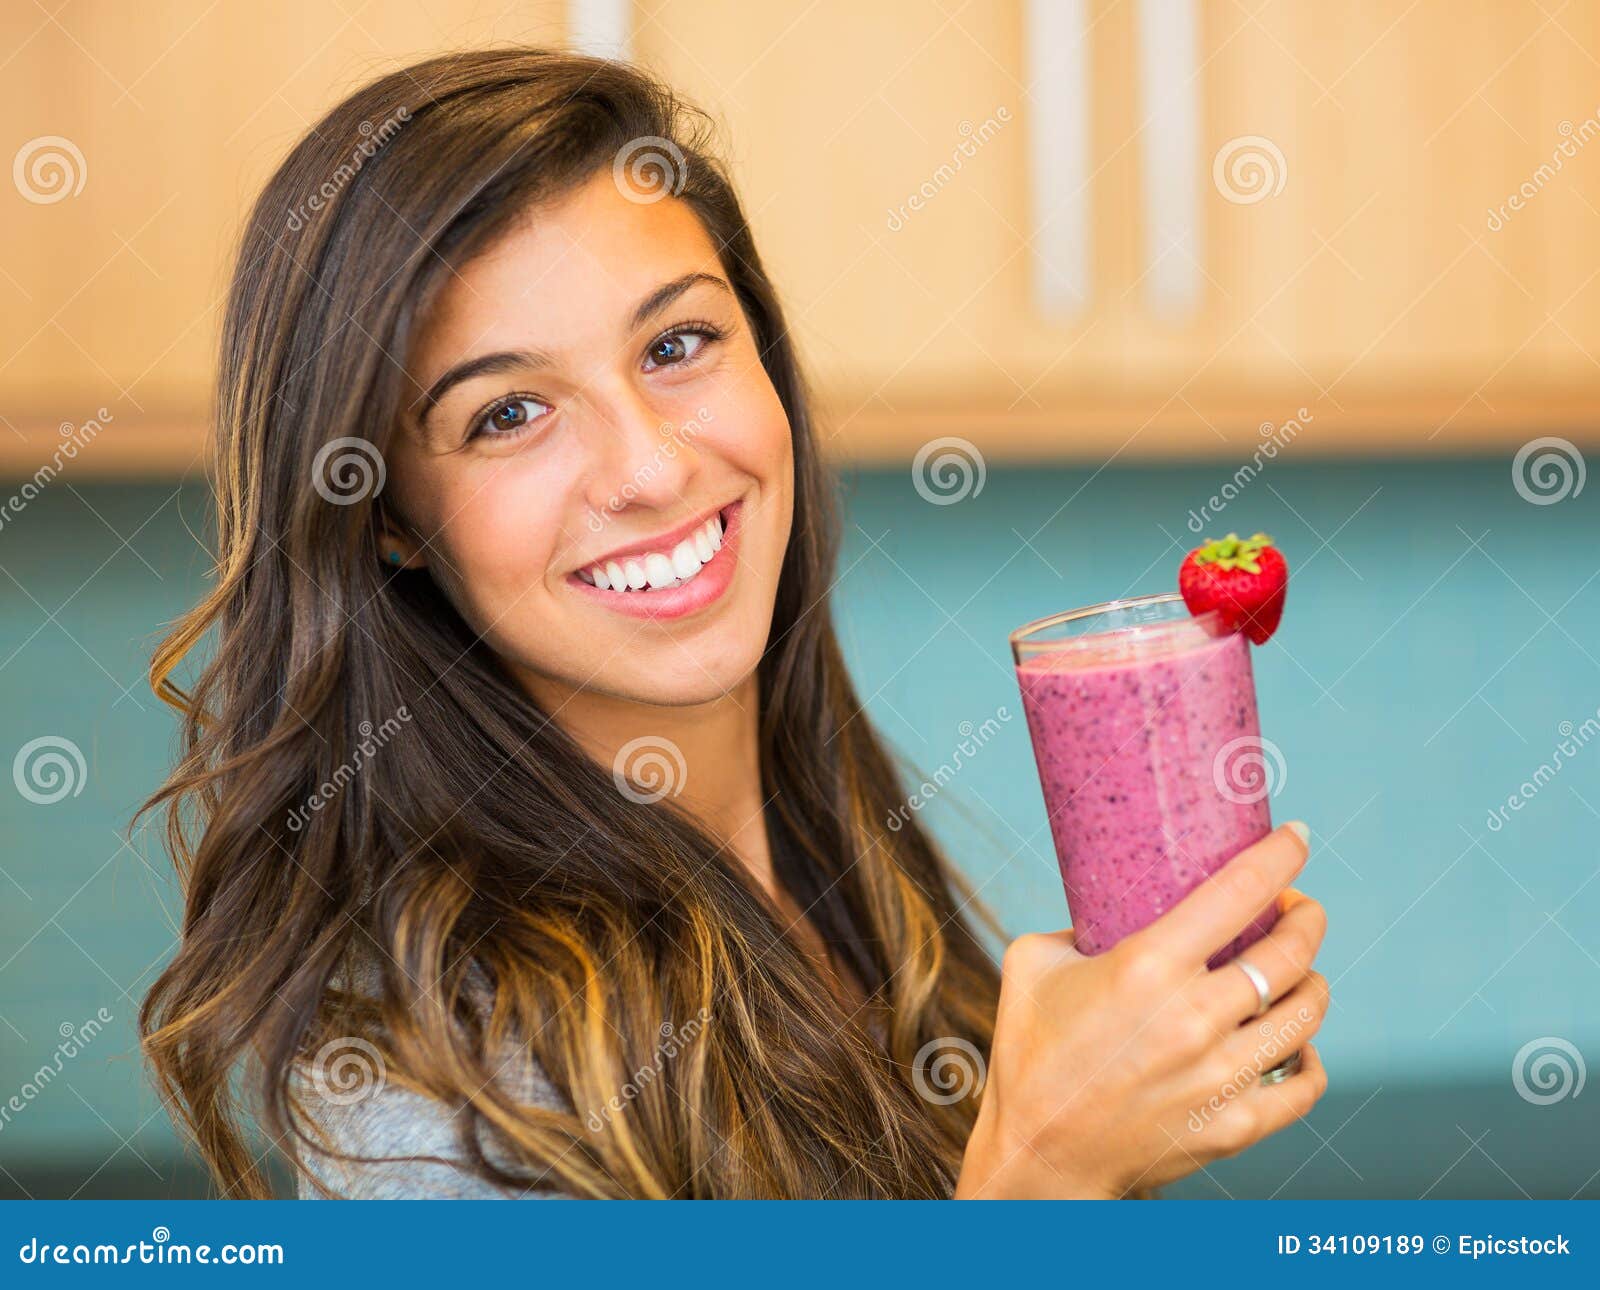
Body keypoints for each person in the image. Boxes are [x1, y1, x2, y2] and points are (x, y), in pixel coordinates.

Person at [136, 48, 1328, 1201]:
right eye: (508, 414)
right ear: (384, 513)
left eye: (675, 344)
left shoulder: (841, 878)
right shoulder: (431, 1079)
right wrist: (1048, 1175)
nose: (649, 468)